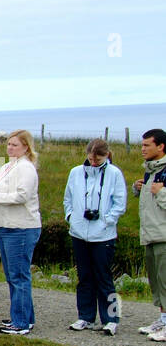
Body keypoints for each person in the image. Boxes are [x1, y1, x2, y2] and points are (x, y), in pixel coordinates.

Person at [0, 129, 41, 336]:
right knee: (13, 275)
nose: (10, 148)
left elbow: (22, 195)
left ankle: (21, 322)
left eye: (15, 145)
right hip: (4, 225)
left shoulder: (26, 168)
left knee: (18, 276)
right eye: (9, 144)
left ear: (26, 146)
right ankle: (24, 316)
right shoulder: (7, 166)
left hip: (21, 227)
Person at [63, 139, 126, 335]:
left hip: (103, 235)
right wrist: (71, 217)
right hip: (79, 233)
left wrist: (107, 220)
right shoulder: (75, 172)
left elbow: (120, 203)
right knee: (84, 277)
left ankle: (112, 319)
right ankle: (85, 317)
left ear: (106, 156)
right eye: (91, 158)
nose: (94, 162)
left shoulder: (114, 173)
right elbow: (68, 198)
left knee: (104, 277)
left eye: (98, 159)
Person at [133, 128, 166, 341]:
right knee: (157, 282)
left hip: (164, 236)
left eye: (147, 145)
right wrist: (140, 189)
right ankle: (163, 320)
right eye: (142, 145)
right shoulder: (150, 171)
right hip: (150, 234)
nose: (142, 149)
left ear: (161, 146)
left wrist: (160, 192)